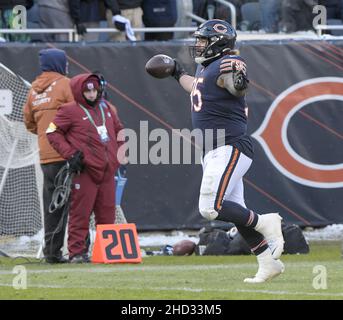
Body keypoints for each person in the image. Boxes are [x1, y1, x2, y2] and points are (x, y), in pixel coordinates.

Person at [167, 19, 285, 283]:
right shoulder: (205, 72)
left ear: (218, 43)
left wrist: (239, 83)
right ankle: (268, 263)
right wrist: (176, 72)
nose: (198, 45)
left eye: (203, 40)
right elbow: (194, 87)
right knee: (235, 211)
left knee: (210, 207)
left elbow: (235, 83)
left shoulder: (226, 64)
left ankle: (267, 222)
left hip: (228, 146)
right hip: (214, 150)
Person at [46, 73, 124, 263]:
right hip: (85, 171)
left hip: (107, 171)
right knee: (80, 214)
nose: (91, 94)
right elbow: (51, 132)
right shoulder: (68, 110)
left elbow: (119, 130)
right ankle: (77, 253)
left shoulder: (106, 108)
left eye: (94, 90)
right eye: (87, 90)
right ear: (79, 91)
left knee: (107, 214)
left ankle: (107, 251)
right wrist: (71, 154)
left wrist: (118, 156)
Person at [23, 48, 74, 263]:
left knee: (52, 206)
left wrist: (46, 134)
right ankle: (76, 251)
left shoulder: (33, 90)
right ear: (59, 64)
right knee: (76, 205)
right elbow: (78, 114)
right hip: (67, 154)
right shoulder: (65, 84)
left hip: (46, 156)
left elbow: (29, 123)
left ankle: (52, 252)